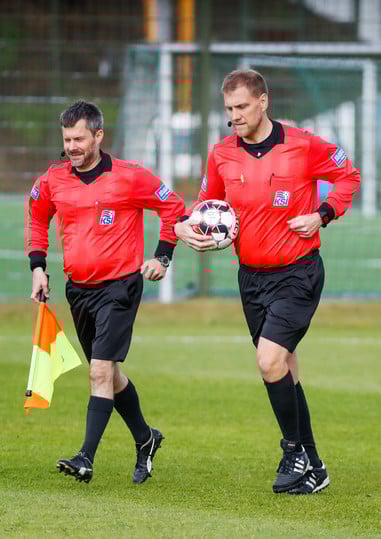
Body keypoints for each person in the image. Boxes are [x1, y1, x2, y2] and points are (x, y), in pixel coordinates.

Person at [175, 69, 360, 495]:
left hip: (298, 272)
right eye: (229, 109)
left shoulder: (303, 144)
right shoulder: (221, 153)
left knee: (269, 361)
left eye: (242, 106)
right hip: (251, 278)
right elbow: (206, 206)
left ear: (263, 102)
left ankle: (292, 450)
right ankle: (314, 467)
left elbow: (348, 176)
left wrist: (323, 214)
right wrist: (187, 227)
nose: (235, 116)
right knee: (284, 369)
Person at [26, 101, 185, 484]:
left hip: (120, 287)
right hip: (78, 290)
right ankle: (146, 438)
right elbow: (36, 217)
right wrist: (38, 267)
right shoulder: (52, 180)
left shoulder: (130, 176)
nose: (72, 146)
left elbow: (173, 207)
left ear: (98, 135)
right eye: (67, 139)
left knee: (99, 370)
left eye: (79, 139)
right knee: (109, 375)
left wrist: (162, 257)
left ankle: (85, 457)